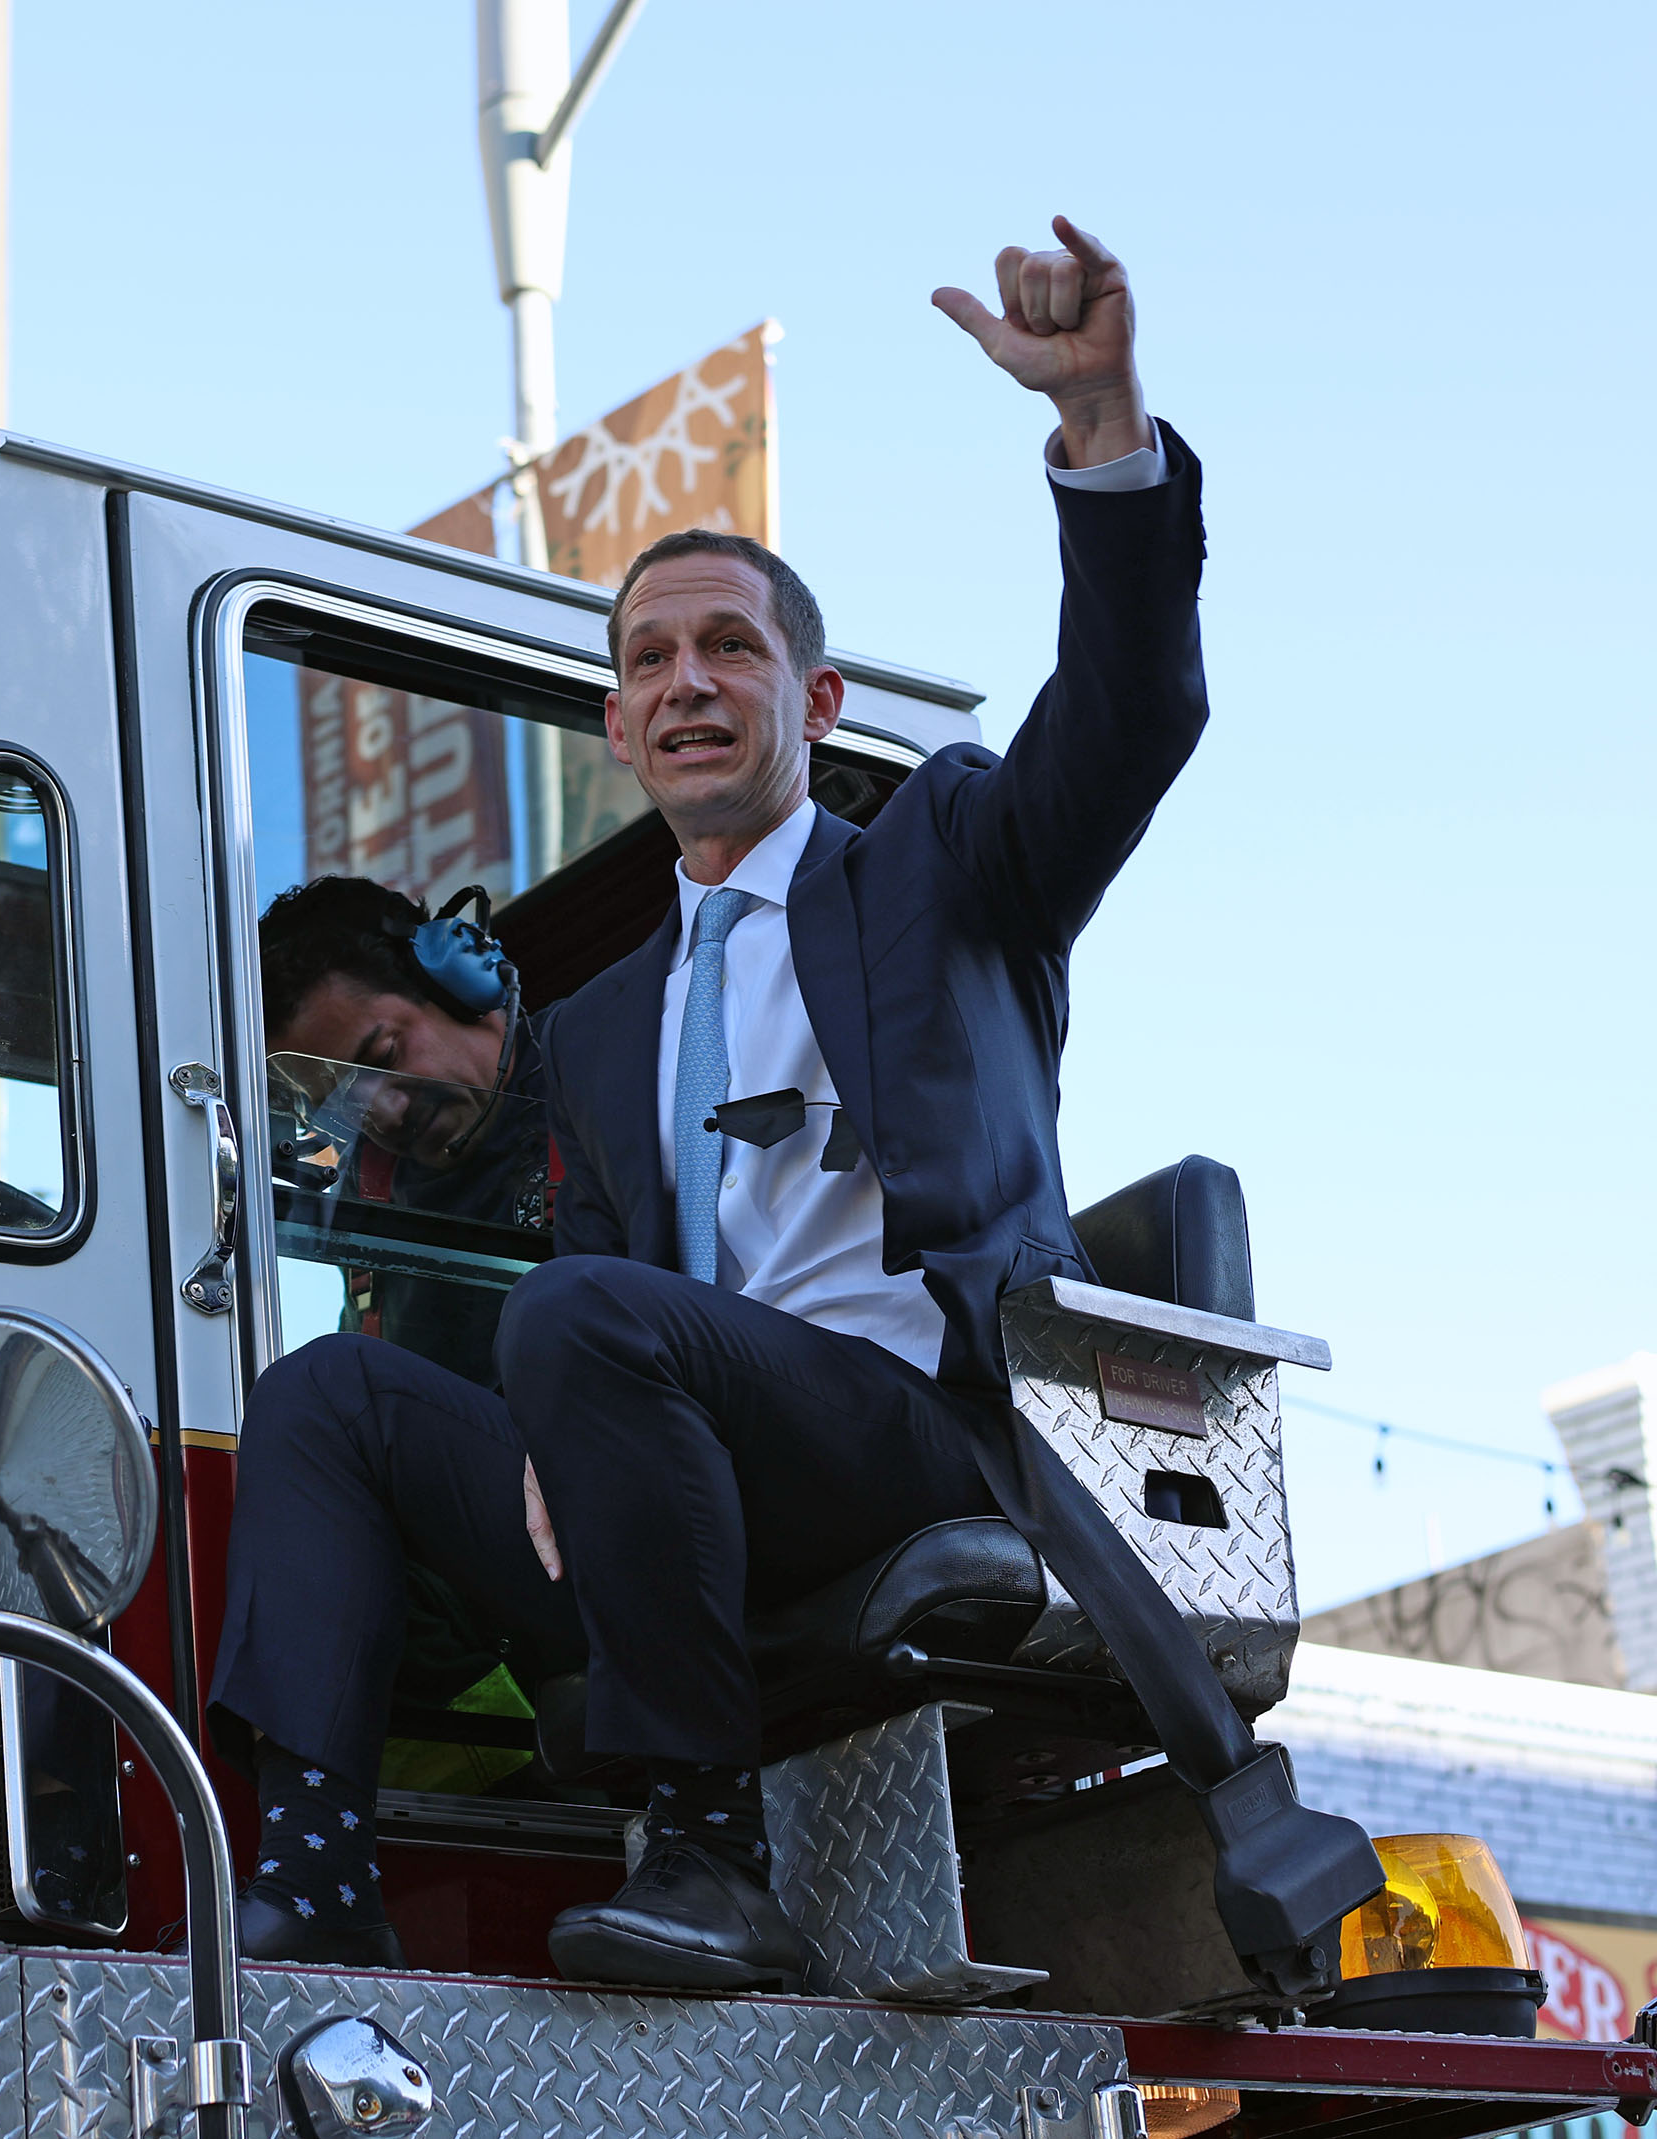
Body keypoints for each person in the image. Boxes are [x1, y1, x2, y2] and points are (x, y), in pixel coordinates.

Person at [211, 220, 1239, 1984]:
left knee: (585, 1310)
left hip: (905, 1436)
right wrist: (550, 1446)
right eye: (649, 658)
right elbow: (601, 1283)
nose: (686, 679)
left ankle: (705, 1847)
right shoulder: (604, 1028)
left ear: (814, 699)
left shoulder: (944, 859)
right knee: (333, 1395)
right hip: (672, 1492)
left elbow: (1134, 712)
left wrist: (1103, 433)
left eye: (729, 649)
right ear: (616, 722)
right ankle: (308, 1881)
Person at [260, 875, 551, 1389]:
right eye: (340, 1103)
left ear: (457, 982)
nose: (386, 1115)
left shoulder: (606, 1073)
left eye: (382, 1056)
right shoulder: (368, 1195)